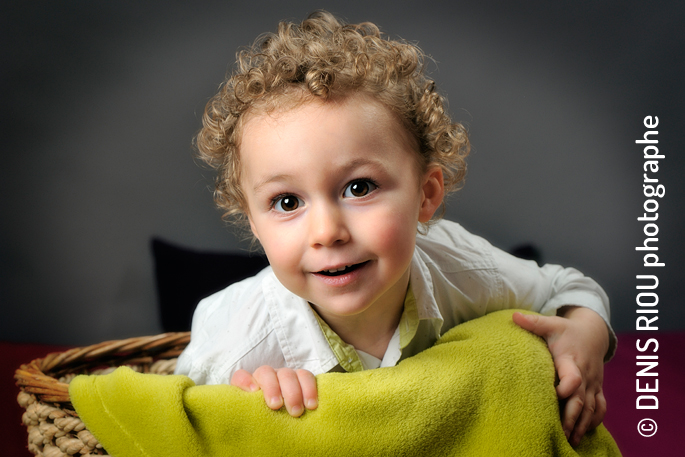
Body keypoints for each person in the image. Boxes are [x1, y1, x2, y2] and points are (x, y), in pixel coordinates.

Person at [175, 11, 615, 447]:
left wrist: (585, 334)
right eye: (287, 202)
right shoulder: (242, 338)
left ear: (426, 194)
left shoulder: (462, 269)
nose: (327, 232)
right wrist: (243, 401)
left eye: (359, 187)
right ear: (253, 221)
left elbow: (568, 288)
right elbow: (175, 417)